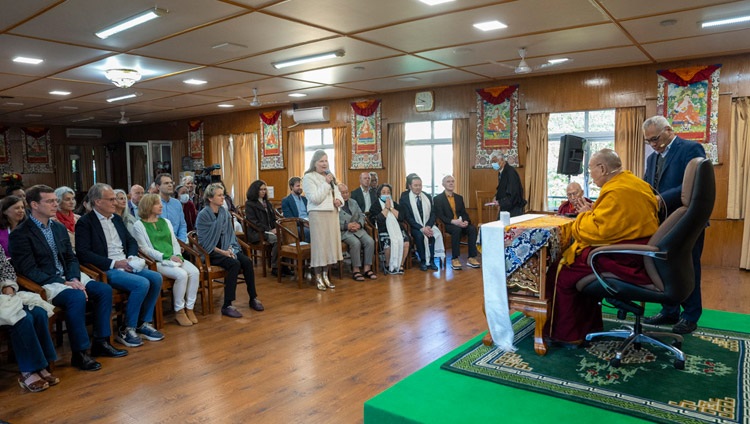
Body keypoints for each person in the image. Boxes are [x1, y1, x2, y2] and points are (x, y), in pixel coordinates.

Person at [10, 184, 127, 371]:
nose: (55, 204)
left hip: (69, 276)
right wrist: (63, 282)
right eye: (49, 201)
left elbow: (71, 257)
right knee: (76, 296)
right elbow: (28, 270)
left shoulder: (58, 227)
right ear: (34, 204)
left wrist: (73, 277)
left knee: (103, 289)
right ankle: (79, 353)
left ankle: (101, 341)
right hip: (46, 282)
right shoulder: (21, 234)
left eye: (55, 201)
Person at [550, 149, 659, 346]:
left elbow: (595, 232)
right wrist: (593, 212)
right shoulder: (635, 183)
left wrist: (583, 215)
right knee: (574, 263)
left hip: (624, 256)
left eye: (591, 170)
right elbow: (616, 222)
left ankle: (569, 335)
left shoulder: (617, 190)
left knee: (564, 271)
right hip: (641, 251)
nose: (590, 175)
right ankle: (590, 327)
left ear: (602, 168)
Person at [75, 183, 165, 347]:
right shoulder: (85, 222)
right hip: (107, 267)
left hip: (127, 262)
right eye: (110, 199)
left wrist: (130, 257)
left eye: (114, 199)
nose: (115, 203)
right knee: (141, 283)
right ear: (97, 202)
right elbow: (84, 253)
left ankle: (142, 323)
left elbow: (130, 241)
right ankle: (127, 328)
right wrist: (115, 263)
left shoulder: (116, 218)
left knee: (156, 277)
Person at [642, 115, 707, 334]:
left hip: (687, 221)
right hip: (662, 223)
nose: (653, 145)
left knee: (688, 267)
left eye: (655, 139)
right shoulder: (652, 159)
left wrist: (662, 198)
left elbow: (693, 184)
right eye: (648, 141)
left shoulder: (690, 149)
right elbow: (648, 188)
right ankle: (669, 311)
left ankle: (690, 316)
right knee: (664, 268)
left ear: (669, 130)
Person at [132, 194, 201, 327]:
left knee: (195, 272)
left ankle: (190, 308)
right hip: (156, 262)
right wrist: (165, 257)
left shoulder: (166, 222)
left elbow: (174, 242)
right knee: (181, 275)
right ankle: (179, 310)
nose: (161, 206)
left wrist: (178, 256)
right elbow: (145, 249)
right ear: (148, 206)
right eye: (157, 203)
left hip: (174, 257)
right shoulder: (138, 225)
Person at [196, 183, 263, 318]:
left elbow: (230, 235)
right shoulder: (203, 215)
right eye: (219, 195)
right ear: (210, 198)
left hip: (228, 248)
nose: (223, 198)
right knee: (234, 264)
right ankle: (227, 305)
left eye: (223, 195)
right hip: (211, 252)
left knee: (247, 262)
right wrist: (223, 252)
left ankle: (253, 298)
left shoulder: (224, 213)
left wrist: (231, 249)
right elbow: (203, 243)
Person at [1, 244, 58, 392]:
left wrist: (8, 286)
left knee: (38, 312)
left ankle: (42, 365)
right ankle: (28, 371)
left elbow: (6, 268)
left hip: (3, 295)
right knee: (22, 318)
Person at [301, 150, 344, 291]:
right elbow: (315, 198)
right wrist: (326, 183)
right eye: (321, 161)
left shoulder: (330, 176)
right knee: (320, 247)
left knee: (330, 246)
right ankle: (318, 276)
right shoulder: (308, 177)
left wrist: (338, 200)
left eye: (326, 161)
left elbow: (337, 191)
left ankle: (326, 275)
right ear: (314, 163)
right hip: (318, 214)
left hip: (332, 213)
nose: (324, 164)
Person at [433, 175, 480, 270]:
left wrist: (466, 221)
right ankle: (455, 258)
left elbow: (463, 212)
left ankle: (472, 257)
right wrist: (453, 221)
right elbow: (440, 216)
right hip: (448, 224)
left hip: (460, 222)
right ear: (443, 184)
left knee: (472, 229)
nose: (451, 183)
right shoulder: (438, 199)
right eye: (448, 181)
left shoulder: (459, 197)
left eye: (452, 181)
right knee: (456, 230)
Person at [401, 175, 445, 271]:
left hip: (428, 224)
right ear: (410, 186)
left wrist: (428, 226)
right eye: (415, 185)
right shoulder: (405, 199)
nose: (418, 187)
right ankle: (423, 261)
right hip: (414, 226)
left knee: (433, 234)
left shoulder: (427, 196)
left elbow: (433, 213)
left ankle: (432, 260)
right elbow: (407, 217)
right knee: (420, 236)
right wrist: (421, 228)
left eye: (420, 185)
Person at [338, 183, 377, 281]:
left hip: (358, 229)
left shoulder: (353, 202)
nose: (345, 195)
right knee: (356, 243)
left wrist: (359, 224)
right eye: (342, 193)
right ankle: (356, 270)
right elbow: (332, 223)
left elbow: (361, 215)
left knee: (370, 241)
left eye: (347, 192)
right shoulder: (334, 206)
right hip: (344, 232)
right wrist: (347, 226)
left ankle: (367, 268)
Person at [370, 184, 410, 274]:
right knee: (388, 242)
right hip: (383, 229)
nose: (386, 194)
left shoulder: (395, 204)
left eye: (388, 192)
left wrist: (391, 207)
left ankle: (401, 264)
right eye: (384, 192)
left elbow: (401, 217)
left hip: (397, 229)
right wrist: (386, 208)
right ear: (379, 194)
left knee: (406, 242)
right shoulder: (375, 205)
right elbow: (378, 220)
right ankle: (388, 265)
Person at [244, 180, 279, 276]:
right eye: (261, 190)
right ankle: (275, 267)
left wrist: (276, 228)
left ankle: (283, 266)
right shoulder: (250, 204)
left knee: (286, 238)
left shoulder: (267, 203)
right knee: (278, 240)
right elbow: (253, 222)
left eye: (265, 189)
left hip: (269, 231)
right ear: (255, 190)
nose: (263, 191)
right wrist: (269, 229)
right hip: (257, 233)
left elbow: (273, 219)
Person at [156, 173, 188, 243]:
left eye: (171, 183)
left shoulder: (177, 203)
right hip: (159, 243)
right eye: (166, 183)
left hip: (178, 242)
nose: (170, 185)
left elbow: (182, 225)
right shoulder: (153, 203)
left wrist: (181, 242)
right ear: (158, 187)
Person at [281, 176, 310, 242]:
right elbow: (289, 218)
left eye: (301, 186)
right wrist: (303, 223)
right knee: (308, 232)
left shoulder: (305, 199)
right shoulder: (286, 200)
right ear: (291, 187)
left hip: (309, 222)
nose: (300, 188)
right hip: (298, 225)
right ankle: (307, 251)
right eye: (298, 186)